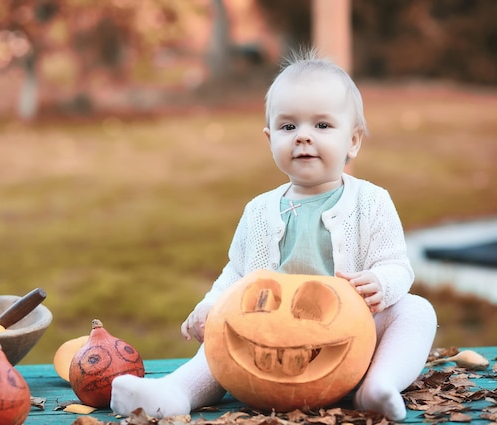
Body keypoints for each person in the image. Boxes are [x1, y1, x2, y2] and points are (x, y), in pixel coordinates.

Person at [110, 49, 438, 422]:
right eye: (288, 127)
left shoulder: (372, 201)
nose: (303, 137)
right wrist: (210, 306)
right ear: (269, 139)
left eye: (322, 126)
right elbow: (237, 274)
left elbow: (396, 264)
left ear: (354, 141)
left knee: (416, 311)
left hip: (353, 337)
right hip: (271, 335)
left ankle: (379, 385)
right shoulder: (259, 211)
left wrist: (381, 282)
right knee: (225, 336)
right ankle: (174, 392)